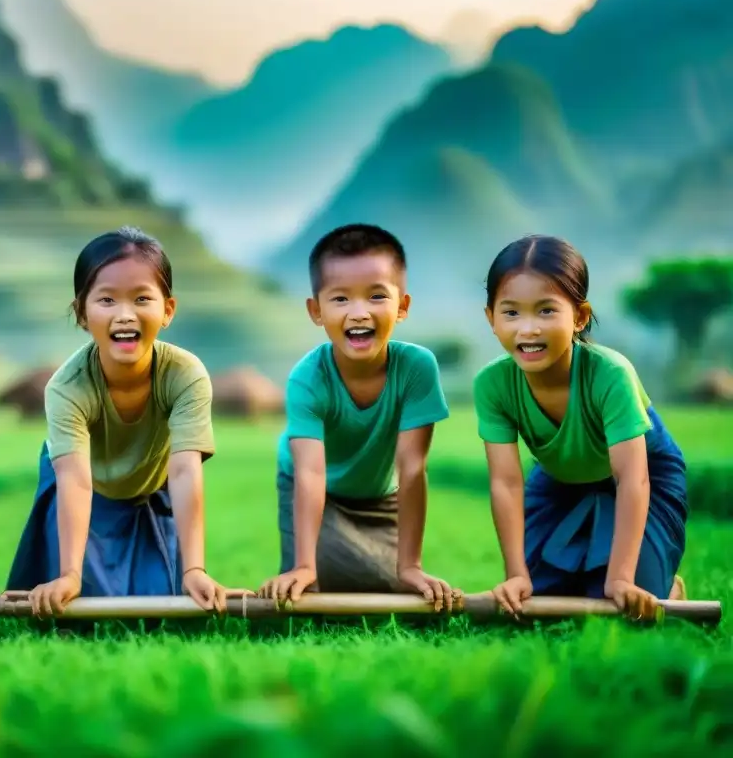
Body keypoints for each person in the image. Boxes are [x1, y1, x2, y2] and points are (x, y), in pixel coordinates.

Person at [5, 226, 246, 617]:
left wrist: (195, 568)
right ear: (82, 313)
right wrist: (69, 573)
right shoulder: (67, 387)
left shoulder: (185, 375)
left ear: (167, 310)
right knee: (82, 610)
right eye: (106, 300)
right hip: (83, 491)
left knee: (162, 610)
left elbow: (185, 471)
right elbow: (76, 481)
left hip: (149, 492)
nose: (124, 314)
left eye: (141, 299)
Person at [474, 235, 688, 621]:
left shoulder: (610, 374)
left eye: (545, 311)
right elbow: (506, 483)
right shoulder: (492, 384)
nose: (528, 329)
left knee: (622, 602)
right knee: (538, 601)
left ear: (579, 316)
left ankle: (666, 583)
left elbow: (632, 478)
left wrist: (622, 577)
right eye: (511, 313)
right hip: (559, 479)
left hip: (645, 476)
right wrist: (516, 574)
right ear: (491, 318)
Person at [258, 224, 458, 610]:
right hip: (318, 491)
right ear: (316, 311)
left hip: (382, 498)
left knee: (402, 588)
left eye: (377, 296)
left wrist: (411, 565)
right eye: (341, 299)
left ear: (402, 306)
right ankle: (311, 565)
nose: (359, 312)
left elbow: (413, 468)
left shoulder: (417, 367)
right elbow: (310, 474)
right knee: (313, 588)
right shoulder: (307, 378)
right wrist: (303, 565)